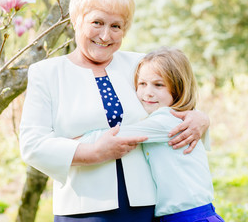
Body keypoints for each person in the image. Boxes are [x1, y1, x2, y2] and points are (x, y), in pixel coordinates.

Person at [19, 0, 210, 221]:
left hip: (145, 204)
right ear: (76, 20)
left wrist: (200, 117)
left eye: (116, 26)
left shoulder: (141, 65)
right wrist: (93, 152)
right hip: (83, 207)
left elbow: (175, 102)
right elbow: (32, 145)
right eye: (97, 22)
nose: (105, 35)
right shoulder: (47, 73)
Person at [79, 47, 224, 222]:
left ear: (177, 88)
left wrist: (77, 140)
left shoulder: (165, 121)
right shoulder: (172, 118)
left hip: (191, 216)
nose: (148, 92)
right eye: (142, 84)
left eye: (158, 85)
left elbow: (119, 135)